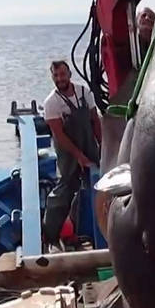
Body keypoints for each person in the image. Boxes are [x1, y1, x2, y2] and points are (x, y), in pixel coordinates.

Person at [42, 60, 102, 253]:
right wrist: (79, 157)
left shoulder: (84, 93)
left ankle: (90, 232)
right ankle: (50, 236)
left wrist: (102, 146)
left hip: (90, 147)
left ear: (69, 74)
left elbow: (95, 120)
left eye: (62, 74)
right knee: (64, 191)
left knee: (96, 187)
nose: (60, 79)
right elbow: (59, 135)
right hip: (67, 154)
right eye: (56, 76)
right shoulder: (51, 103)